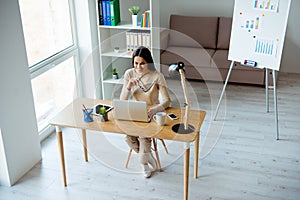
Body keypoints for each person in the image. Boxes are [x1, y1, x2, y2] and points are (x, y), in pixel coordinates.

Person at [120, 46, 171, 178]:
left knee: (143, 136)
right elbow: (122, 100)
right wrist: (128, 87)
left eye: (142, 63)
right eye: (136, 63)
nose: (138, 67)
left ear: (148, 62)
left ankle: (143, 163)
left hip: (151, 112)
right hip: (135, 111)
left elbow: (167, 101)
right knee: (128, 137)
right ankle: (149, 157)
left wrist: (155, 109)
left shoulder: (157, 76)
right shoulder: (129, 74)